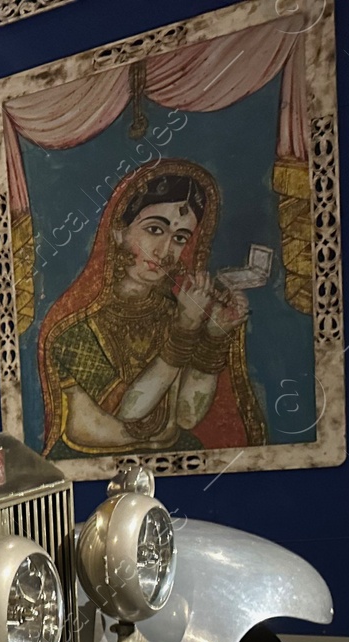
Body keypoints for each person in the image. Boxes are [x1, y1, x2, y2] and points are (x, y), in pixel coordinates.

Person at [38, 159, 267, 458]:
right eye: (154, 229)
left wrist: (213, 333)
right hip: (91, 466)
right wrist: (184, 331)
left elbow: (187, 416)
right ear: (119, 231)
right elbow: (129, 411)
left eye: (180, 238)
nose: (165, 251)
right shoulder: (74, 329)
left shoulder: (176, 312)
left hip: (173, 458)